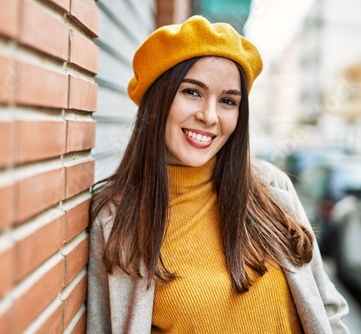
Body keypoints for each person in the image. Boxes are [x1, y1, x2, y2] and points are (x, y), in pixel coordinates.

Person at [87, 15, 349, 334]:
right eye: (192, 92)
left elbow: (327, 309)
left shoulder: (271, 186)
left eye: (227, 101)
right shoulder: (116, 218)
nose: (209, 116)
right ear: (157, 99)